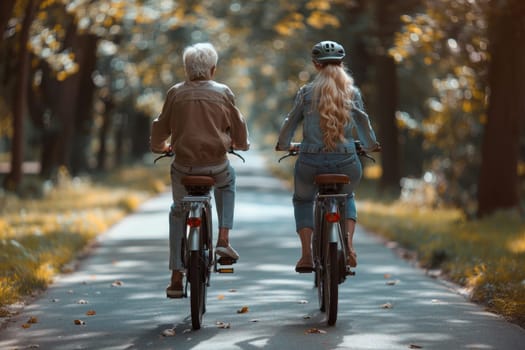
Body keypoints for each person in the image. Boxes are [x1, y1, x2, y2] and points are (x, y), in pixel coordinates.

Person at [150, 42, 250, 298]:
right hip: (216, 166)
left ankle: (175, 274)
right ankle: (224, 239)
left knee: (178, 211)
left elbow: (161, 128)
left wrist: (160, 146)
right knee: (228, 181)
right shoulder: (224, 92)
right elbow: (238, 126)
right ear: (213, 70)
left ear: (186, 69)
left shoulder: (175, 93)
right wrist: (240, 144)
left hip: (184, 168)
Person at [276, 40, 380, 273]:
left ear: (315, 65)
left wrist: (283, 145)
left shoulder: (306, 93)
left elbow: (290, 122)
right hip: (346, 162)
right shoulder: (352, 93)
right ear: (342, 64)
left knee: (303, 200)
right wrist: (370, 145)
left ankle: (306, 255)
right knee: (348, 195)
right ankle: (349, 245)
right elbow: (363, 120)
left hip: (310, 162)